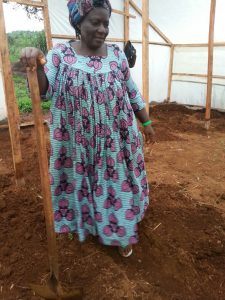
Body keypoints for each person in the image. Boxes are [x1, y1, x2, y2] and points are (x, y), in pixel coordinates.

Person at [20, 0, 155, 258]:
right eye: (96, 22)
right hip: (78, 143)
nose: (103, 28)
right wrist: (35, 65)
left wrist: (146, 122)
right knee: (84, 184)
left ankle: (119, 232)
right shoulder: (60, 56)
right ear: (78, 23)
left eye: (106, 22)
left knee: (116, 184)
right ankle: (92, 224)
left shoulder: (116, 55)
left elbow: (132, 91)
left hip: (116, 141)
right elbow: (42, 91)